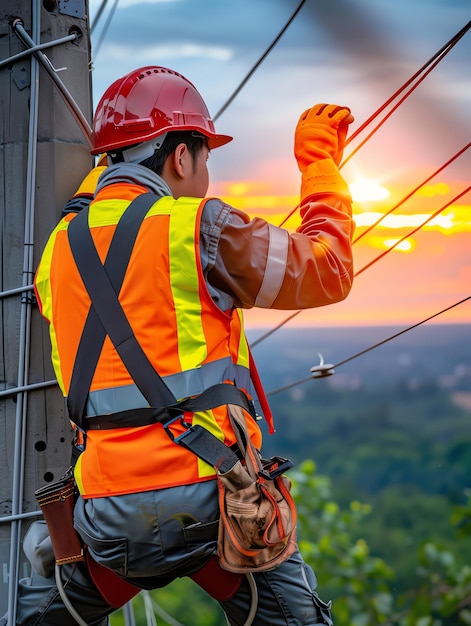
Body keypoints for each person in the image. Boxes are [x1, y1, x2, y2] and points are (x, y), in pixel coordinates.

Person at [5, 65, 355, 626]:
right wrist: (320, 167)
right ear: (180, 156)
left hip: (107, 516)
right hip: (213, 505)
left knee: (34, 616)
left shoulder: (56, 251)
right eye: (205, 156)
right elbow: (329, 271)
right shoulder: (199, 227)